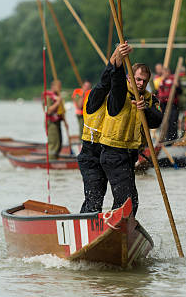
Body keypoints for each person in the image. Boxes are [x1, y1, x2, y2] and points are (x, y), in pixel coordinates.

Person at [99, 47, 162, 216]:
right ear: (130, 77)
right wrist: (118, 59)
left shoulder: (149, 98)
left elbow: (157, 120)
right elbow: (116, 79)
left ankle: (120, 230)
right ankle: (116, 231)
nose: (140, 84)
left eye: (144, 81)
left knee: (130, 201)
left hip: (130, 155)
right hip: (112, 152)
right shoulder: (120, 91)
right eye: (138, 79)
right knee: (127, 201)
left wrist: (146, 109)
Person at [78, 44, 131, 213]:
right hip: (91, 155)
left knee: (126, 199)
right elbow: (104, 84)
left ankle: (118, 226)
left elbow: (118, 88)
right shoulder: (93, 99)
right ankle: (86, 224)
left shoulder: (118, 102)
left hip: (111, 154)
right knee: (93, 201)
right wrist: (114, 61)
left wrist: (119, 65)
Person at [43, 80, 66, 160]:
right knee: (54, 143)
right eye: (58, 86)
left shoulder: (57, 96)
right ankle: (51, 160)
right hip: (51, 123)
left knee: (59, 142)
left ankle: (56, 158)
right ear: (53, 86)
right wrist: (58, 102)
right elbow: (48, 111)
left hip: (57, 122)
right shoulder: (48, 97)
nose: (60, 88)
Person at [157, 68, 180, 141]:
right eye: (163, 73)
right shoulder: (161, 80)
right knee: (164, 120)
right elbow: (158, 91)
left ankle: (173, 138)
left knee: (172, 121)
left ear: (168, 72)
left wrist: (177, 86)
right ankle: (165, 137)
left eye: (165, 72)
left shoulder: (174, 79)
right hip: (164, 104)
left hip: (173, 104)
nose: (164, 74)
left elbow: (180, 91)